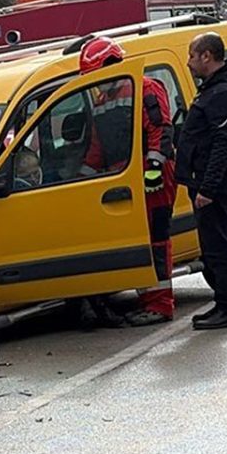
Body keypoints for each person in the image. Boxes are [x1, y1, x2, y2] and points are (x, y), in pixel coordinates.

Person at [78, 36, 179, 327]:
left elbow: (160, 128)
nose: (95, 79)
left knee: (157, 240)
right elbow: (98, 147)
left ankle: (161, 305)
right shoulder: (102, 99)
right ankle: (148, 299)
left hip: (152, 177)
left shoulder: (145, 87)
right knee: (138, 241)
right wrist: (82, 178)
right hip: (125, 179)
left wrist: (154, 170)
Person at [177, 32, 227, 330]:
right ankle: (222, 303)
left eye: (193, 56)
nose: (189, 62)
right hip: (206, 182)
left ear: (207, 56)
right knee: (211, 247)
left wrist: (208, 187)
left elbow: (223, 143)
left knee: (219, 246)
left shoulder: (225, 93)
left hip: (215, 185)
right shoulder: (214, 89)